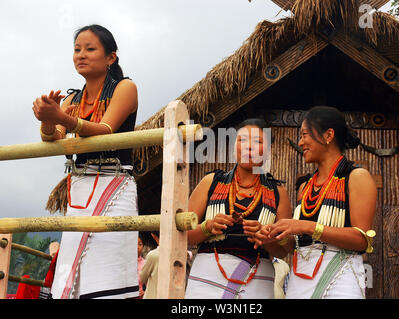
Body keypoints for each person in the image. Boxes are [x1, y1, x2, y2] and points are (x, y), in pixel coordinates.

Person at [32, 24, 139, 299]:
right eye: (77, 49)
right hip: (79, 188)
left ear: (111, 57)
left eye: (90, 49)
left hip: (115, 185)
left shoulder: (125, 88)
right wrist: (47, 120)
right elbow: (52, 138)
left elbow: (105, 130)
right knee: (72, 263)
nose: (81, 54)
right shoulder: (72, 97)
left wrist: (62, 118)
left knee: (107, 262)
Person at [254, 106, 376, 299]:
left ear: (328, 135)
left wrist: (307, 226)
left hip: (341, 277)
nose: (301, 142)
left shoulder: (356, 177)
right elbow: (294, 247)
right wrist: (273, 237)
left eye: (304, 135)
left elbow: (361, 240)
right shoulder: (305, 187)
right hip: (299, 279)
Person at [185, 118, 292, 299]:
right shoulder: (211, 182)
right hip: (206, 278)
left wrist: (267, 239)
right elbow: (182, 235)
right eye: (242, 140)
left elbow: (285, 249)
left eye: (257, 142)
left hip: (257, 280)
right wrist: (207, 227)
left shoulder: (278, 192)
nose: (248, 147)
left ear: (268, 151)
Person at [139, 232, 160, 299]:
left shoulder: (153, 255)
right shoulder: (182, 254)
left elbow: (142, 277)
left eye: (140, 244)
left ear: (153, 235)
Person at [137, 234, 145, 298]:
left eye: (140, 244)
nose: (137, 247)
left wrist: (144, 292)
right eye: (135, 244)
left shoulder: (145, 263)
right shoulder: (124, 263)